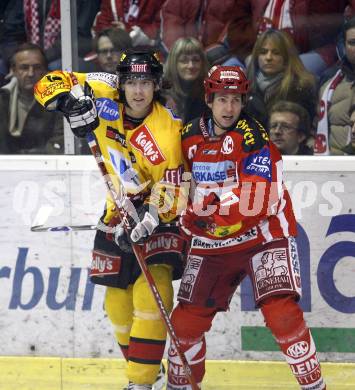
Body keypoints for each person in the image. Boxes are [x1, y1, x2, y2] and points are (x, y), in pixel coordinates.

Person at [166, 65, 326, 390]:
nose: (229, 108)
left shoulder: (255, 139)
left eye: (236, 100)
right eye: (222, 99)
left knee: (282, 315)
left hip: (262, 237)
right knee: (184, 325)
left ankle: (315, 387)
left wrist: (209, 214)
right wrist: (167, 213)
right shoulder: (187, 137)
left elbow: (259, 200)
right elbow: (173, 182)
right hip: (213, 245)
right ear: (209, 100)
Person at [34, 50, 186, 390]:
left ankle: (140, 383)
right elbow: (47, 82)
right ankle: (147, 367)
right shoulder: (101, 90)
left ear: (156, 84)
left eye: (146, 82)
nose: (137, 90)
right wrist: (65, 103)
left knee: (153, 294)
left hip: (156, 219)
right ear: (121, 81)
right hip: (114, 212)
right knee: (117, 306)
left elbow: (177, 187)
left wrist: (152, 217)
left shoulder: (167, 131)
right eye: (131, 81)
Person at [227, 0, 347, 77]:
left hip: (308, 51)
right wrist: (255, 51)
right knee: (226, 72)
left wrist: (281, 51)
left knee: (281, 79)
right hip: (258, 49)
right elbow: (237, 25)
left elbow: (323, 32)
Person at [246, 29, 317, 129]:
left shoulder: (300, 89)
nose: (269, 57)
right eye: (263, 52)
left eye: (276, 53)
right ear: (256, 57)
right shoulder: (244, 88)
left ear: (287, 57)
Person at [0, 42, 63, 154]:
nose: (30, 73)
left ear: (45, 71)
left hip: (44, 166)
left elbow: (60, 142)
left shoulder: (58, 102)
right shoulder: (2, 100)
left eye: (37, 67)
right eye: (24, 68)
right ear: (13, 71)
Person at [315, 16, 355, 155]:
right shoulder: (328, 79)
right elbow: (314, 127)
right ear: (343, 46)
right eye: (352, 43)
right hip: (334, 167)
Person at [164, 37, 209, 124]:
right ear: (174, 63)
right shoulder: (161, 93)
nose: (191, 66)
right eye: (184, 60)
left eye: (196, 60)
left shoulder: (208, 94)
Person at [93, 0, 164, 48]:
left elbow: (159, 28)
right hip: (113, 47)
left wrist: (126, 31)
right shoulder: (112, 1)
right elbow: (101, 23)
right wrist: (118, 34)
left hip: (145, 51)